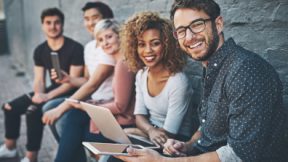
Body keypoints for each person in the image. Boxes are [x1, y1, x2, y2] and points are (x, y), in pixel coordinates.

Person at [116, 0, 288, 162]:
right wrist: (187, 146)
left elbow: (239, 155)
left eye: (197, 25)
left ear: (218, 24)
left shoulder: (246, 70)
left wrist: (161, 160)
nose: (189, 37)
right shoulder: (212, 66)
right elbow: (208, 127)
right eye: (181, 30)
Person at [0, 8, 84, 162]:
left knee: (33, 112)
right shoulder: (40, 50)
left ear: (62, 25)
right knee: (9, 107)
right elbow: (39, 80)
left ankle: (31, 157)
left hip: (71, 92)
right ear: (42, 25)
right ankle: (10, 148)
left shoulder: (75, 48)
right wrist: (38, 94)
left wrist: (46, 96)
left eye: (57, 22)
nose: (52, 26)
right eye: (48, 23)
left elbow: (72, 83)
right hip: (51, 90)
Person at [52, 19, 135, 162]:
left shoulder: (123, 64)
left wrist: (87, 107)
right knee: (74, 122)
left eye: (109, 37)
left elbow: (120, 106)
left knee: (75, 127)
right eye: (101, 40)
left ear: (120, 36)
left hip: (125, 123)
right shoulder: (119, 61)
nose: (105, 43)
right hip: (119, 118)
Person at [121, 11, 196, 148]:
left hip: (174, 143)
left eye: (155, 43)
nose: (148, 50)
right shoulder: (142, 74)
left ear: (166, 46)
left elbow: (170, 133)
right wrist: (150, 130)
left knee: (124, 136)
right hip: (150, 135)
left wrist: (134, 131)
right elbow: (139, 116)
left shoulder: (178, 82)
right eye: (141, 44)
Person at [41, 1, 114, 141]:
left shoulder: (109, 47)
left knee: (63, 118)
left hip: (104, 102)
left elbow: (92, 84)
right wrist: (68, 78)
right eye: (87, 19)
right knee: (48, 107)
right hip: (92, 98)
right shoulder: (89, 47)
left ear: (107, 19)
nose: (90, 23)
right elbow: (86, 80)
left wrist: (61, 108)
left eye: (95, 17)